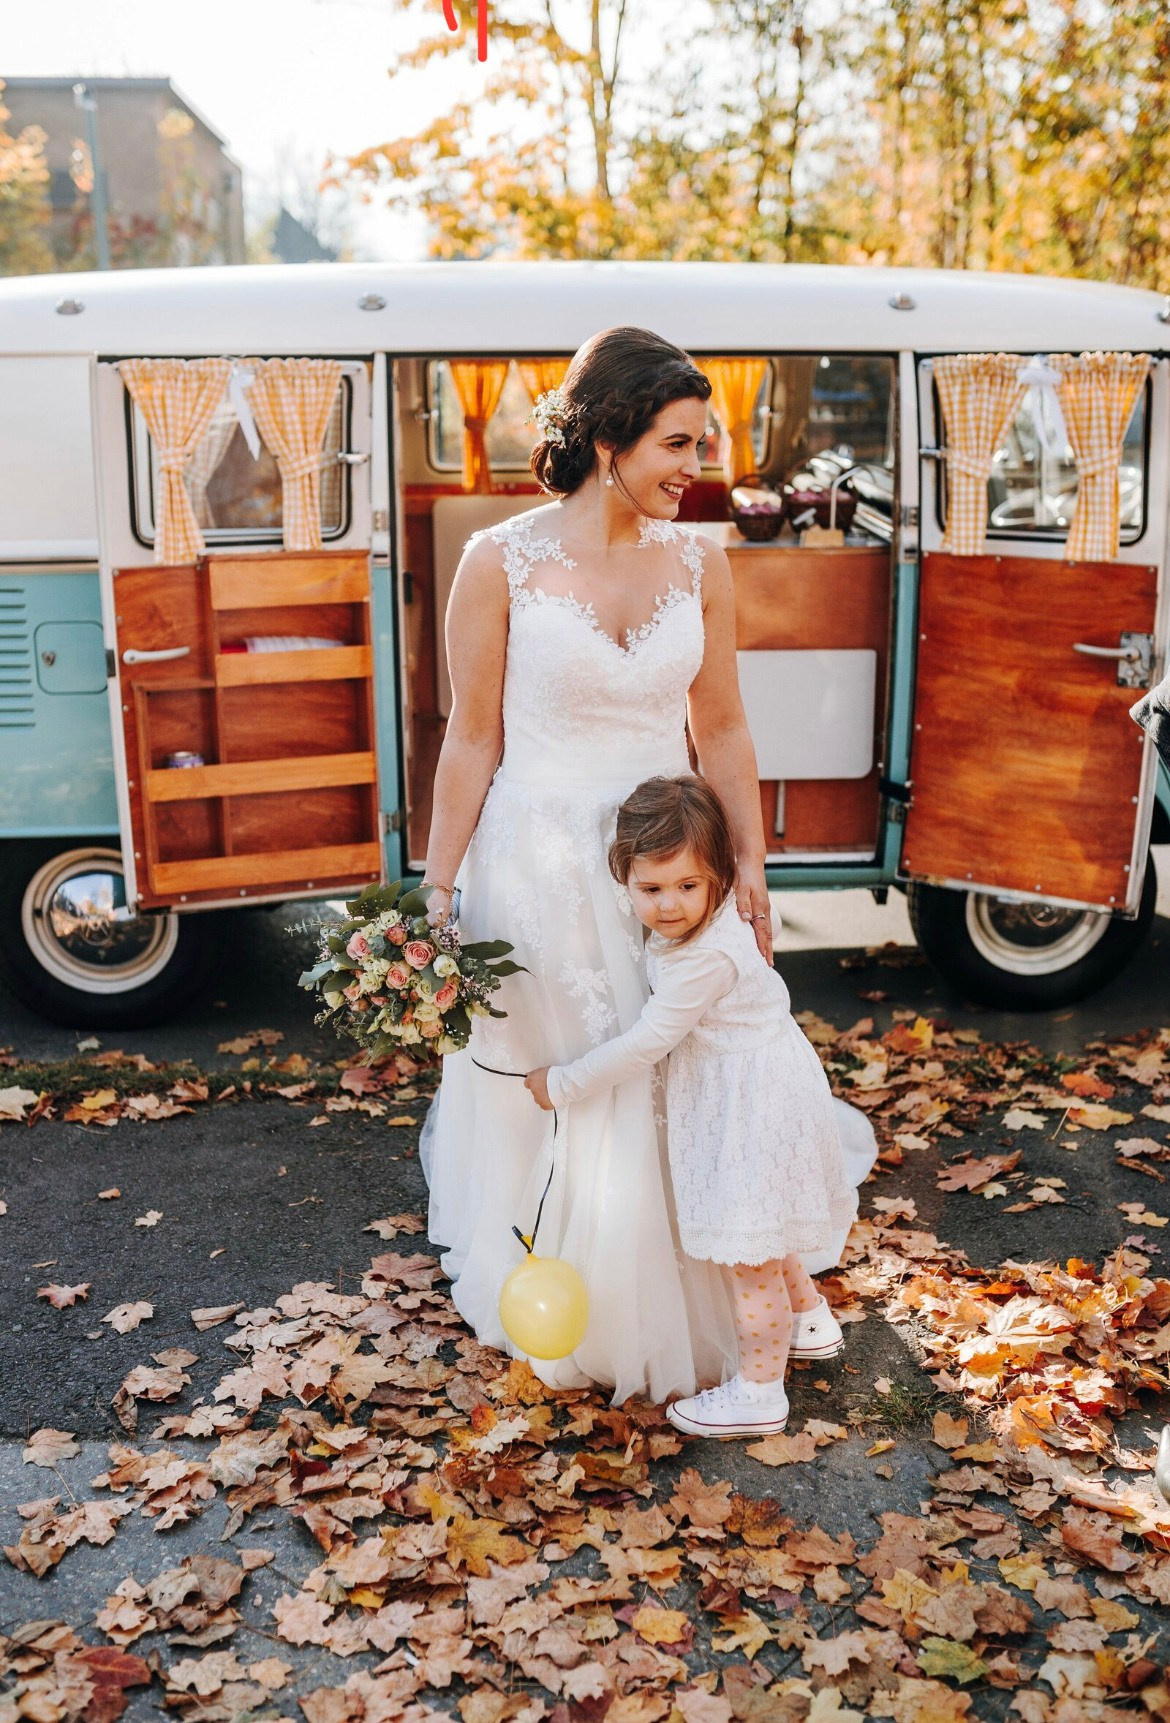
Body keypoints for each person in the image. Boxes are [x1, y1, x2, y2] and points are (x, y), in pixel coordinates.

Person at [419, 325, 772, 1404]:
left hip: (669, 870)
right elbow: (471, 737)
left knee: (678, 1078)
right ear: (610, 435)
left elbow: (725, 731)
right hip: (535, 873)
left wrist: (751, 868)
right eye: (678, 444)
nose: (694, 468)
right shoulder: (501, 562)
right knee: (559, 1083)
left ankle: (705, 1300)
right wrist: (436, 889)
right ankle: (554, 1284)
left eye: (701, 446)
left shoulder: (700, 564)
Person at [525, 776, 858, 1439]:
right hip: (770, 1085)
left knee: (746, 1256)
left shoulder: (702, 961)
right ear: (625, 877)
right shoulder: (725, 916)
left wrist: (562, 1082)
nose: (670, 904)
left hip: (751, 1107)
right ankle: (812, 1317)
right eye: (651, 889)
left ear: (718, 877)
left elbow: (647, 1043)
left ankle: (760, 1391)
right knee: (768, 1225)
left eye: (687, 886)